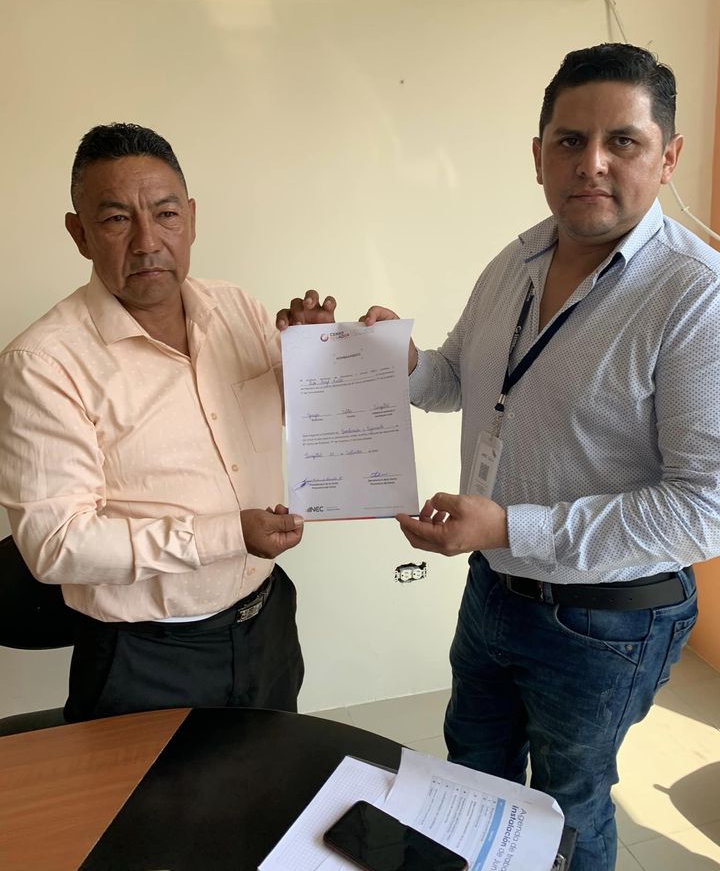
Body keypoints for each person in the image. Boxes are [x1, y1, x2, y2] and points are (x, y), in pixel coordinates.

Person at [277, 43, 720, 871]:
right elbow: (457, 378)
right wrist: (378, 358)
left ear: (669, 157)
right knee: (471, 783)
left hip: (606, 618)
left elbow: (704, 508)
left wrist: (510, 524)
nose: (591, 163)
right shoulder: (516, 260)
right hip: (493, 587)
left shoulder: (698, 297)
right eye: (569, 140)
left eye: (623, 141)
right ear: (538, 154)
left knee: (567, 808)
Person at [0, 123, 305, 722]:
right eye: (117, 219)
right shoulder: (43, 362)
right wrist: (227, 534)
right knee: (151, 791)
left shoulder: (236, 307)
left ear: (190, 218)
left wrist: (319, 362)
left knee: (276, 779)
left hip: (266, 623)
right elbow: (57, 545)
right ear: (79, 234)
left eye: (165, 214)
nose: (147, 242)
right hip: (145, 656)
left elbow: (288, 420)